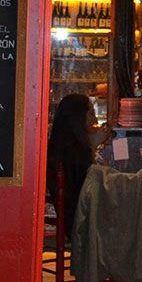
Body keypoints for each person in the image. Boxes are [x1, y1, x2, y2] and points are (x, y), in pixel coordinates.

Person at [46, 94, 101, 237]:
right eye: (91, 114)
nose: (95, 120)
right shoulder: (76, 152)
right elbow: (90, 192)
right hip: (79, 224)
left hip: (70, 219)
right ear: (78, 117)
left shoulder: (58, 147)